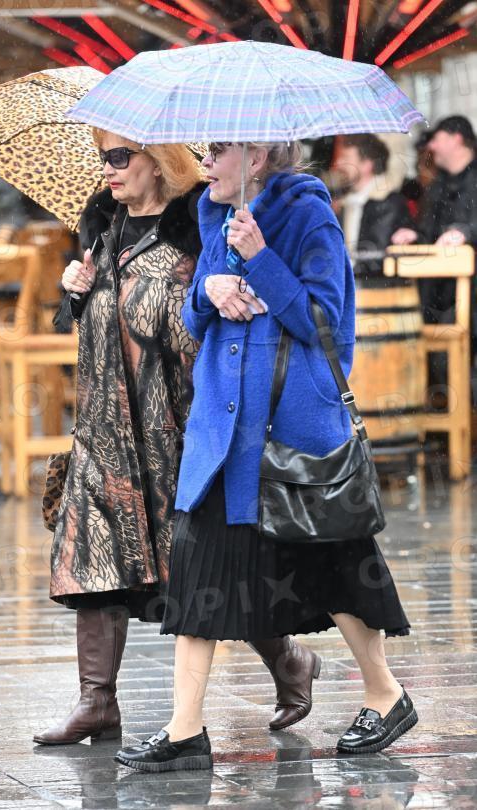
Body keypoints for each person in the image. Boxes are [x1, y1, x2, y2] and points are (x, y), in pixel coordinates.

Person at [115, 141, 418, 772]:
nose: (205, 163)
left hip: (292, 433)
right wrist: (209, 290)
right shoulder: (214, 213)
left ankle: (385, 693)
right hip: (222, 433)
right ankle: (185, 728)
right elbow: (197, 318)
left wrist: (262, 260)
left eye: (218, 151)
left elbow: (326, 323)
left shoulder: (309, 216)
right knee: (198, 572)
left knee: (334, 570)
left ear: (255, 159)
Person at [34, 133, 317, 746]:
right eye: (103, 158)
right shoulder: (101, 226)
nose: (107, 170)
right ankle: (96, 701)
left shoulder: (198, 226)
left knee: (203, 570)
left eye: (119, 157)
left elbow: (206, 326)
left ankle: (289, 662)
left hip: (177, 425)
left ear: (158, 161)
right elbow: (90, 324)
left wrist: (198, 292)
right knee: (93, 556)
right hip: (104, 427)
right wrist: (75, 292)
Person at [392, 115, 477, 324]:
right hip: (438, 297)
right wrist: (414, 234)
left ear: (456, 140)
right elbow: (430, 231)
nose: (431, 146)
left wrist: (465, 233)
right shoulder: (438, 185)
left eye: (437, 139)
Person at [334, 134, 412, 278]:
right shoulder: (345, 202)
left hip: (378, 287)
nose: (339, 163)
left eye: (346, 158)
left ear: (366, 165)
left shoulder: (388, 202)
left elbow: (375, 258)